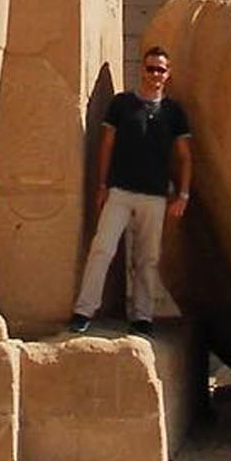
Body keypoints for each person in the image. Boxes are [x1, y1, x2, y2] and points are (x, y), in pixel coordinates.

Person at [69, 48, 192, 336]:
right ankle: (84, 311)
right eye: (150, 69)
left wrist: (183, 194)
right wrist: (102, 185)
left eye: (160, 70)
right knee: (103, 249)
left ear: (168, 74)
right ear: (142, 70)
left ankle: (142, 317)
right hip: (120, 192)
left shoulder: (173, 112)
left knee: (147, 259)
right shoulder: (122, 104)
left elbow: (185, 156)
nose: (155, 75)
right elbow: (106, 145)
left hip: (155, 196)